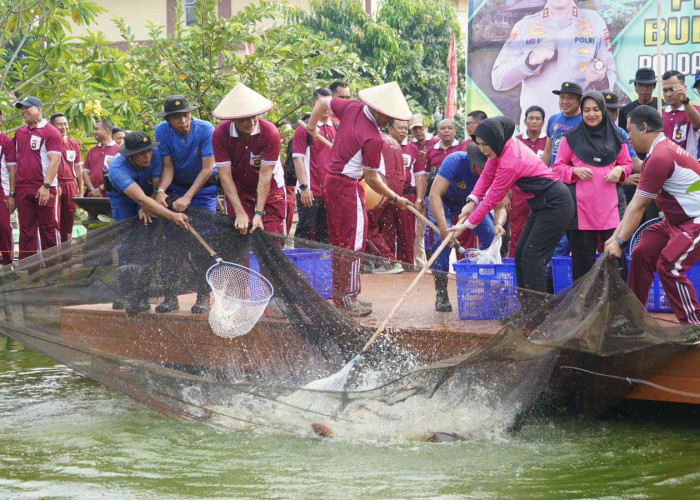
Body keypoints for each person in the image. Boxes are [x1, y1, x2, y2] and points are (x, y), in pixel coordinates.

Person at [306, 81, 412, 316]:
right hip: (346, 185)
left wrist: (311, 127)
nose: (389, 121)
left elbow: (323, 102)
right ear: (377, 109)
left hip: (330, 181)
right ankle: (348, 298)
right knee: (354, 243)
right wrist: (396, 198)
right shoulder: (373, 137)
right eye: (388, 116)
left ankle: (342, 295)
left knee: (340, 241)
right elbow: (372, 179)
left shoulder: (351, 107)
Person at [605, 106, 700, 325]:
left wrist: (619, 241)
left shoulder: (660, 156)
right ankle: (633, 317)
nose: (628, 136)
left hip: (695, 221)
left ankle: (694, 326)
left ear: (644, 127)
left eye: (630, 130)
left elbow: (638, 206)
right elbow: (635, 204)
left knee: (670, 266)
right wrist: (615, 238)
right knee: (643, 251)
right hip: (676, 221)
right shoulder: (656, 153)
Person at [461, 116, 574, 298]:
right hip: (540, 203)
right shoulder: (502, 145)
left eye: (484, 145)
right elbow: (487, 175)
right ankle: (526, 308)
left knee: (533, 257)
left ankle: (538, 310)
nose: (482, 150)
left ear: (495, 139)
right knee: (520, 254)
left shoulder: (509, 162)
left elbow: (492, 198)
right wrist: (471, 201)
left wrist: (467, 225)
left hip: (556, 203)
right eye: (479, 144)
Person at [492, 0, 616, 128]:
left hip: (581, 131)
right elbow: (498, 79)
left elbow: (609, 83)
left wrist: (600, 80)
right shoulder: (525, 26)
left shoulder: (594, 23)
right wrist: (529, 61)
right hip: (538, 133)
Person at [553, 91, 632, 281]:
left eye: (596, 109)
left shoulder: (617, 137)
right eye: (586, 110)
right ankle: (585, 307)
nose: (591, 114)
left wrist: (620, 171)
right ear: (581, 112)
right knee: (582, 266)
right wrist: (574, 172)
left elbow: (628, 164)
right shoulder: (570, 138)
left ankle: (616, 306)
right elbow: (557, 167)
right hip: (580, 213)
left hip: (612, 211)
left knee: (615, 262)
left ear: (603, 111)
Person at [107, 131, 189, 314]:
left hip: (148, 194)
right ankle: (127, 292)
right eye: (141, 153)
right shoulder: (117, 169)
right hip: (123, 198)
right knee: (128, 242)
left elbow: (155, 188)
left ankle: (143, 292)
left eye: (149, 151)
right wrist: (171, 215)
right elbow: (139, 198)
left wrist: (147, 205)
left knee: (147, 238)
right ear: (130, 155)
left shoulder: (156, 155)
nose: (147, 156)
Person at [153, 95, 217, 314]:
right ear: (168, 119)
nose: (183, 121)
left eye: (186, 115)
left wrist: (189, 197)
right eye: (177, 117)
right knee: (172, 245)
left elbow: (208, 168)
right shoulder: (161, 131)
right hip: (177, 189)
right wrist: (161, 191)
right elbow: (168, 167)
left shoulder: (205, 129)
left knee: (202, 245)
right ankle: (170, 297)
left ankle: (203, 296)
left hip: (204, 190)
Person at [428, 143, 504, 312]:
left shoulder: (495, 170)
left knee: (491, 238)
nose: (484, 172)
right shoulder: (454, 161)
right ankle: (441, 293)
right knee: (443, 244)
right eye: (480, 168)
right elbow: (434, 195)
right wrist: (443, 227)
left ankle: (483, 286)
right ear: (472, 162)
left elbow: (501, 206)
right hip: (444, 203)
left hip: (472, 205)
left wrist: (498, 224)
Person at [212, 83, 286, 235]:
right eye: (244, 119)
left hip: (271, 187)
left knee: (272, 236)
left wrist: (259, 213)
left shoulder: (270, 132)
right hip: (238, 188)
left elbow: (265, 175)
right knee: (241, 234)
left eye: (254, 117)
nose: (251, 123)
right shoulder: (220, 134)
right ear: (233, 119)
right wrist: (239, 211)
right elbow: (225, 176)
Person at [14, 96, 62, 260]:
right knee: (26, 230)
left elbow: (55, 161)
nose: (24, 111)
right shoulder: (20, 132)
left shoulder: (51, 131)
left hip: (44, 187)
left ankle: (53, 273)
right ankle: (30, 276)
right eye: (22, 108)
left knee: (48, 229)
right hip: (23, 188)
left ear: (39, 109)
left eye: (28, 107)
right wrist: (13, 192)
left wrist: (46, 186)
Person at [291, 88, 335, 243]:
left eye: (328, 102)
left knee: (326, 234)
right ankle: (299, 267)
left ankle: (321, 267)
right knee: (306, 231)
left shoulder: (335, 128)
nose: (325, 107)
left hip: (329, 192)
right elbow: (298, 159)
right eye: (321, 102)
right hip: (310, 191)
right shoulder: (305, 128)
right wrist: (304, 187)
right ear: (313, 104)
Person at [366, 132, 406, 274]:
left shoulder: (372, 138)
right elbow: (404, 173)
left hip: (379, 187)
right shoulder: (395, 143)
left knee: (368, 227)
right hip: (396, 187)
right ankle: (375, 262)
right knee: (386, 228)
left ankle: (389, 261)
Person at [510, 105, 548, 258]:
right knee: (517, 235)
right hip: (519, 196)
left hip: (542, 194)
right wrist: (507, 195)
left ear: (543, 122)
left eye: (538, 119)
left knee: (541, 235)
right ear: (525, 122)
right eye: (531, 118)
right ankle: (515, 274)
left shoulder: (548, 143)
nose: (534, 121)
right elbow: (508, 169)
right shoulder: (515, 142)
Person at [390, 119, 426, 266]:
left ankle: (407, 266)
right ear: (390, 129)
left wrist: (419, 199)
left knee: (407, 234)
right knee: (388, 232)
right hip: (387, 195)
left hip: (407, 196)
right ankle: (389, 264)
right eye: (400, 128)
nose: (404, 131)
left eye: (406, 128)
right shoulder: (383, 144)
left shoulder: (412, 148)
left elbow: (419, 176)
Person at [49, 113, 83, 244]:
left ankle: (67, 256)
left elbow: (79, 169)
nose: (64, 127)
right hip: (55, 184)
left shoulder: (73, 143)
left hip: (70, 185)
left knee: (69, 221)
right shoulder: (49, 142)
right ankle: (54, 253)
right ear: (53, 126)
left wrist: (80, 192)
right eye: (60, 124)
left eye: (65, 123)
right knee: (54, 220)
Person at [408, 114, 436, 267]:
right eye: (414, 129)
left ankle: (433, 261)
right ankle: (420, 263)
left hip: (434, 192)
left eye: (420, 127)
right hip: (416, 192)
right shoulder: (409, 146)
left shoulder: (436, 142)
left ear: (426, 126)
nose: (418, 131)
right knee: (418, 230)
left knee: (433, 226)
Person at [542, 82, 583, 167]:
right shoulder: (553, 119)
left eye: (570, 98)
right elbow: (548, 151)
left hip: (574, 176)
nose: (564, 101)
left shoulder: (585, 121)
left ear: (579, 100)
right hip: (554, 177)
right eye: (562, 97)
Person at [661, 70, 700, 159]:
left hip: (689, 169)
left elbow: (698, 124)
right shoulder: (660, 113)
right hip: (667, 168)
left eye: (672, 89)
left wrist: (685, 102)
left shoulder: (695, 110)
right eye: (665, 90)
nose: (668, 94)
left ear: (684, 88)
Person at [83, 119, 119, 198]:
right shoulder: (92, 151)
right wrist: (92, 189)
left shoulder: (118, 150)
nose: (94, 131)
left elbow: (118, 174)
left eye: (97, 129)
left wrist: (100, 189)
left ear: (106, 130)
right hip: (93, 196)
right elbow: (85, 172)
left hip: (112, 195)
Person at [0, 111, 16, 265]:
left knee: (4, 228)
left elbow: (12, 169)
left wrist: (12, 194)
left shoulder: (5, 141)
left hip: (2, 191)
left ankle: (8, 264)